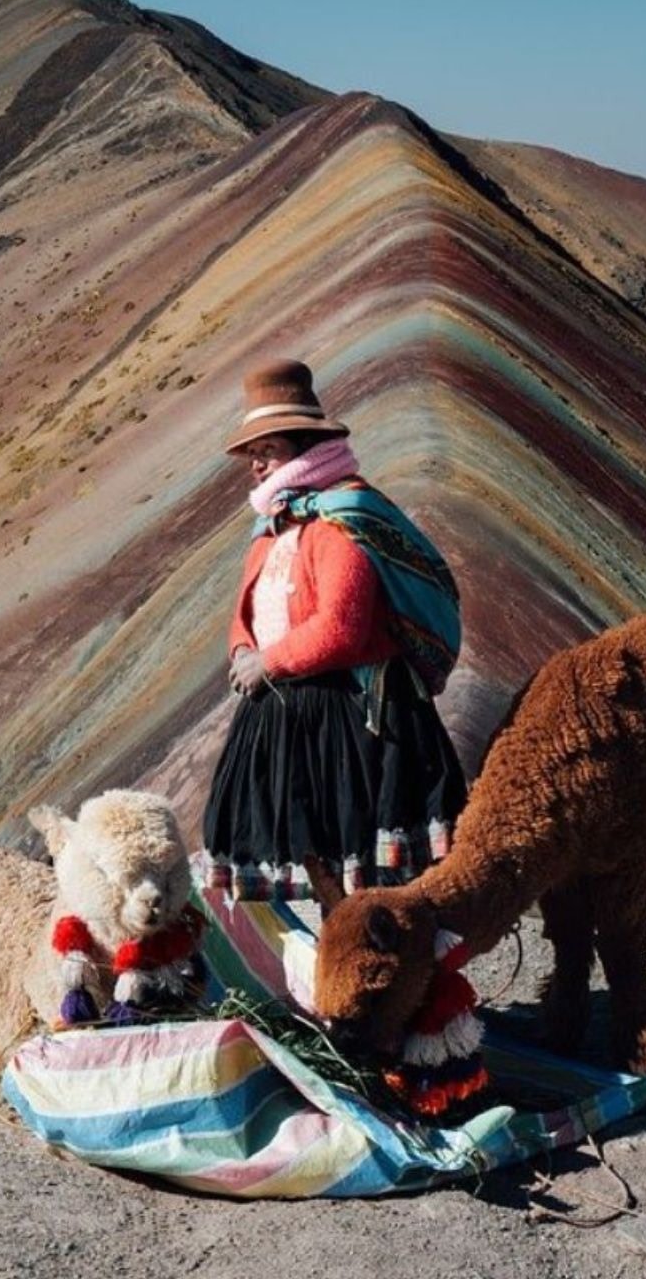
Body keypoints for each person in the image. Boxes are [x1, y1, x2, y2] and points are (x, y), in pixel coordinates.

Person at [201, 359, 467, 908]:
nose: (256, 466)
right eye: (253, 455)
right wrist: (243, 647)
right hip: (287, 715)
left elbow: (341, 629)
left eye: (267, 452)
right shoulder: (273, 524)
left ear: (304, 448)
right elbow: (244, 609)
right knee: (315, 866)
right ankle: (331, 972)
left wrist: (267, 664)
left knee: (368, 873)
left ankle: (399, 978)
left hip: (354, 719)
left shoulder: (345, 519)